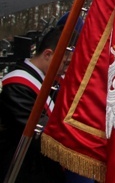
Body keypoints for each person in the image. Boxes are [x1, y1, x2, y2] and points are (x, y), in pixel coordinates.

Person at [0, 26, 69, 183]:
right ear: (48, 54)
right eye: (65, 63)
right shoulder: (17, 86)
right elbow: (40, 134)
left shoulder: (47, 79)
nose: (66, 69)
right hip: (26, 171)